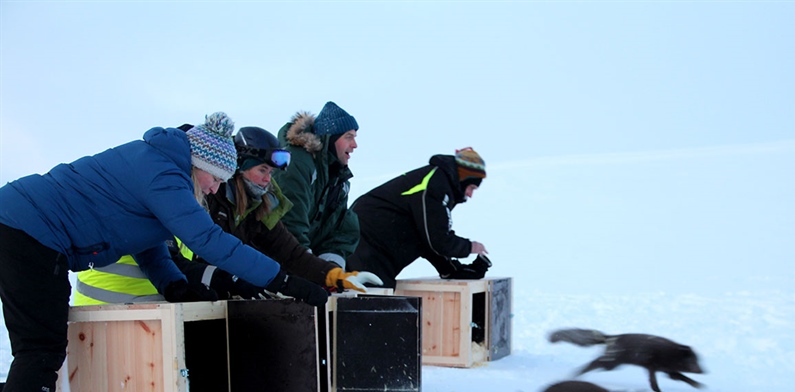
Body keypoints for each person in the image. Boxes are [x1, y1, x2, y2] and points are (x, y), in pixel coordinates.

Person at [0, 112, 328, 392]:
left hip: (22, 226)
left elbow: (144, 240)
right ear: (199, 164)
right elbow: (207, 239)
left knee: (39, 345)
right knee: (40, 347)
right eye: (215, 178)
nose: (215, 188)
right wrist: (284, 280)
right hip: (28, 231)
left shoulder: (160, 164)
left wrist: (174, 285)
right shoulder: (164, 173)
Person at [73, 126, 381, 305]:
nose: (267, 180)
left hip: (194, 298)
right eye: (262, 170)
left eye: (272, 173)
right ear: (238, 167)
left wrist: (333, 275)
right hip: (139, 301)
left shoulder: (263, 204)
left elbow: (290, 253)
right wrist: (239, 281)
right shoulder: (203, 195)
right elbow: (191, 255)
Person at [346, 147, 492, 289]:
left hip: (372, 243)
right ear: (464, 178)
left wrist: (451, 269)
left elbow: (425, 236)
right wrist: (470, 247)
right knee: (372, 300)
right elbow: (436, 239)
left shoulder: (440, 183)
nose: (470, 195)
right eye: (471, 187)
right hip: (366, 239)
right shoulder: (435, 185)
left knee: (378, 299)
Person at [273, 101, 360, 269]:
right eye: (348, 137)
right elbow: (291, 223)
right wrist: (311, 270)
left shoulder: (338, 179)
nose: (355, 145)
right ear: (329, 139)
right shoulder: (297, 163)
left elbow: (340, 230)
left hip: (301, 260)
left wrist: (331, 267)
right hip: (277, 263)